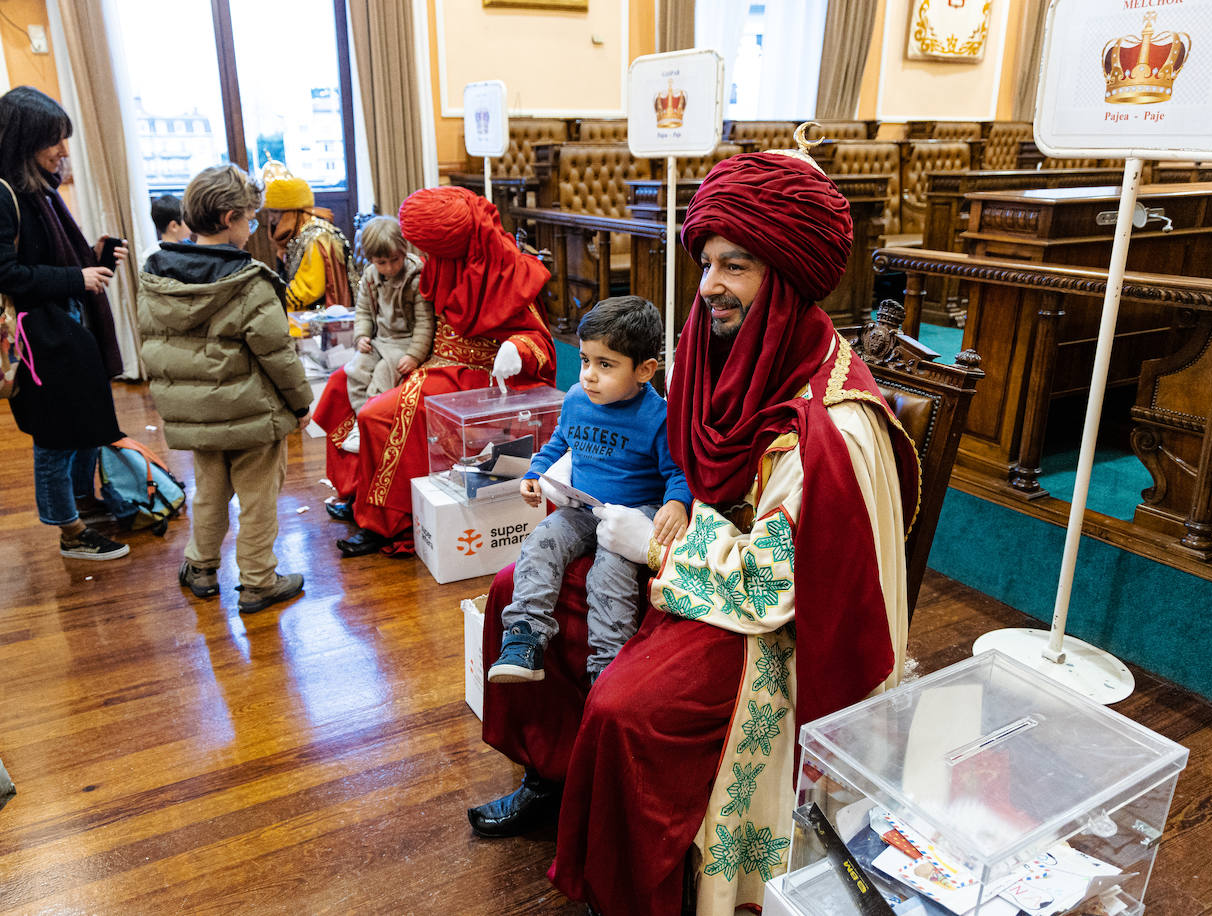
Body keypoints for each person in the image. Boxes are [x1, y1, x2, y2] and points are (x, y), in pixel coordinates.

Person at [470, 150, 921, 916]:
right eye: (707, 262)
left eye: (734, 266)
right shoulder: (723, 353)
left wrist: (648, 543)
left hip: (771, 624)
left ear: (783, 275)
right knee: (515, 587)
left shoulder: (830, 428)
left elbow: (775, 586)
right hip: (691, 551)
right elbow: (678, 457)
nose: (708, 285)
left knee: (625, 707)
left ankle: (627, 881)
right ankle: (553, 773)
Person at [315, 186, 556, 557]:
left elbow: (540, 343)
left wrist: (517, 348)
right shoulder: (445, 262)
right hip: (432, 360)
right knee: (339, 384)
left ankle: (385, 518)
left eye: (429, 251)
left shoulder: (510, 271)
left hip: (477, 374)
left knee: (377, 415)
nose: (425, 258)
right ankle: (361, 492)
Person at [0, 86, 130, 561]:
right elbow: (2, 273)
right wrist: (76, 275)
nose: (62, 150)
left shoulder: (41, 192)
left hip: (65, 330)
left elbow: (51, 265)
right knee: (55, 436)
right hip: (37, 340)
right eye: (52, 140)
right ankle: (70, 531)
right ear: (22, 140)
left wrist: (93, 261)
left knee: (84, 424)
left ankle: (82, 505)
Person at [489, 296, 690, 686]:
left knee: (608, 573)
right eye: (584, 360)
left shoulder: (658, 417)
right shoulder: (577, 399)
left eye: (605, 365)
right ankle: (525, 638)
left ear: (645, 370)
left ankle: (607, 670)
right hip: (584, 508)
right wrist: (536, 471)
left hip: (633, 515)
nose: (588, 375)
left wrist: (677, 503)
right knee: (541, 540)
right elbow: (558, 442)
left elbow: (677, 472)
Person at [138, 164, 312, 614]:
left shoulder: (157, 275)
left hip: (196, 415)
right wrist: (301, 404)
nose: (252, 228)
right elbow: (278, 354)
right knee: (258, 500)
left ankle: (200, 565)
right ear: (229, 218)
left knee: (209, 492)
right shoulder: (248, 282)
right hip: (253, 415)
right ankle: (257, 581)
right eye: (250, 219)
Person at [326, 215, 432, 457]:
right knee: (356, 368)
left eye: (395, 260)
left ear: (404, 250)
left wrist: (415, 355)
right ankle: (361, 424)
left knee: (384, 373)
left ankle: (368, 421)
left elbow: (425, 323)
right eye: (382, 262)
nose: (390, 268)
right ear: (372, 259)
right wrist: (361, 335)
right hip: (379, 340)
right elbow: (362, 311)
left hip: (404, 343)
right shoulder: (371, 276)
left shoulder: (415, 278)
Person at [260, 159, 355, 310]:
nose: (271, 218)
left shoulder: (316, 238)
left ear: (293, 212)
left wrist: (272, 299)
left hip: (318, 320)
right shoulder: (300, 235)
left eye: (275, 211)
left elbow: (308, 290)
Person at [141, 193, 192, 265]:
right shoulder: (151, 257)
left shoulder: (147, 254)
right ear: (174, 226)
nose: (191, 224)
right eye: (187, 220)